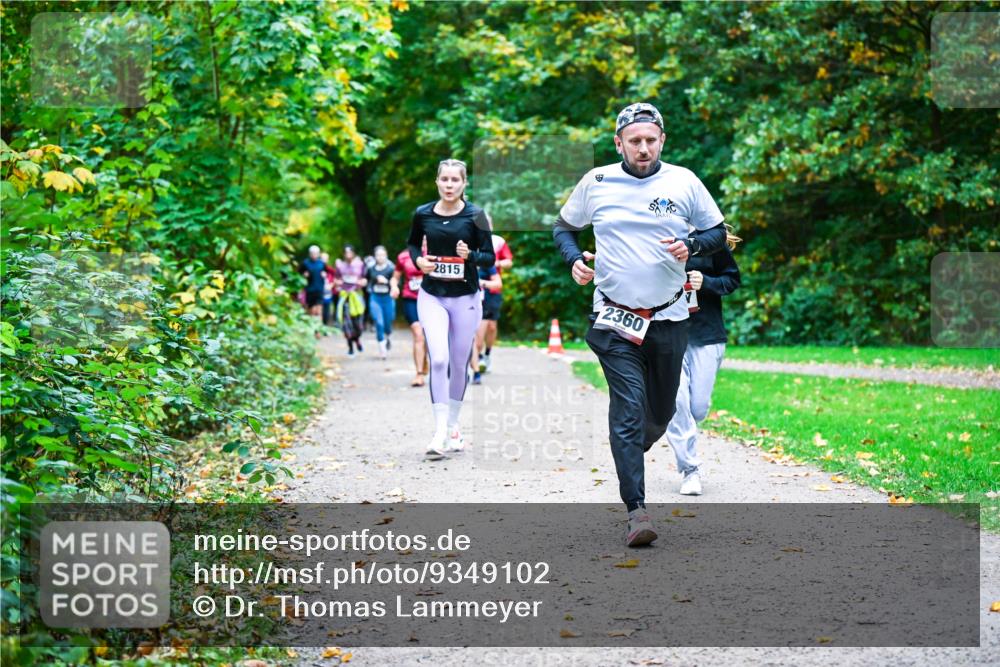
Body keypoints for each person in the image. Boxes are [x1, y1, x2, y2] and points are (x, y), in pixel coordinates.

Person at [553, 102, 727, 547]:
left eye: (651, 140)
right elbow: (563, 228)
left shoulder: (684, 181)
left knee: (661, 415)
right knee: (628, 412)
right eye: (635, 141)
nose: (643, 148)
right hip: (613, 319)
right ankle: (637, 512)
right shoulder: (596, 181)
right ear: (619, 143)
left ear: (662, 140)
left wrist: (690, 245)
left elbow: (718, 233)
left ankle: (634, 446)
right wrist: (575, 260)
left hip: (669, 317)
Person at [407, 158, 495, 460]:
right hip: (432, 295)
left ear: (464, 183)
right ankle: (440, 431)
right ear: (437, 181)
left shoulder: (476, 216)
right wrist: (419, 261)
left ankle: (453, 423)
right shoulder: (423, 214)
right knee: (440, 359)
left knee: (459, 363)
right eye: (444, 180)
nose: (449, 185)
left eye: (454, 180)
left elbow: (489, 258)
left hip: (466, 298)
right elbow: (413, 246)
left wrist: (469, 254)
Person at [666, 226, 742, 496]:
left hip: (707, 335)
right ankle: (690, 470)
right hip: (669, 333)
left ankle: (672, 421)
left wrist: (705, 282)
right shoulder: (657, 234)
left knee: (697, 408)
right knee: (678, 403)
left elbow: (731, 280)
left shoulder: (709, 240)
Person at [478, 230, 513, 373]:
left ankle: (487, 354)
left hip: (493, 287)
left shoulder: (498, 241)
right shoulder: (469, 240)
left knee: (491, 326)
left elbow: (509, 262)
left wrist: (495, 262)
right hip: (475, 291)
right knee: (479, 325)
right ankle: (477, 357)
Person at [396, 244, 429, 387]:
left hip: (431, 300)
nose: (423, 242)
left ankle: (424, 359)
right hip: (411, 299)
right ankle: (419, 374)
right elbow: (395, 276)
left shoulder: (437, 253)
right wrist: (393, 286)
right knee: (418, 334)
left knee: (428, 336)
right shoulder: (403, 256)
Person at [471, 264, 502, 385]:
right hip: (462, 302)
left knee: (478, 342)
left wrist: (480, 282)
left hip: (483, 304)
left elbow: (498, 284)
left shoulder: (486, 262)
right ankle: (472, 370)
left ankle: (477, 368)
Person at [366, 245, 399, 360]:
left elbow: (397, 283)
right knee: (378, 322)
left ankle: (387, 336)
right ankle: (382, 349)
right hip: (375, 298)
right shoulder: (371, 268)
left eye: (382, 255)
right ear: (375, 256)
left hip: (388, 298)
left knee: (388, 322)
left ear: (386, 256)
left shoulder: (391, 268)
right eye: (378, 255)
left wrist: (387, 282)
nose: (380, 257)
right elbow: (367, 280)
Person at [335, 244, 368, 356]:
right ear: (343, 254)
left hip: (357, 296)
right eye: (346, 253)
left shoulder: (360, 264)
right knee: (346, 323)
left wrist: (362, 282)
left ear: (353, 253)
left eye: (350, 252)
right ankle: (350, 347)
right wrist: (338, 283)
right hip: (345, 297)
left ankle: (357, 338)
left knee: (358, 323)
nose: (348, 255)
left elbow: (365, 279)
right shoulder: (340, 266)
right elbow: (336, 279)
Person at [298, 245, 326, 330]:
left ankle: (320, 329)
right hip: (310, 290)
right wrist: (304, 275)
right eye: (312, 253)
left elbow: (328, 272)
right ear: (310, 254)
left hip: (319, 289)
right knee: (312, 311)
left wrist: (324, 275)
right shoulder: (305, 263)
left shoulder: (322, 263)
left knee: (319, 310)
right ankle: (312, 328)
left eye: (316, 253)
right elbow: (298, 274)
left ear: (318, 254)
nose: (314, 255)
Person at [320, 251, 336, 330]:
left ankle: (325, 326)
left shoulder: (330, 270)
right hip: (319, 293)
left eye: (325, 258)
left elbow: (335, 278)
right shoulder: (317, 268)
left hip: (328, 293)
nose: (324, 260)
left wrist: (331, 285)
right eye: (322, 258)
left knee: (327, 309)